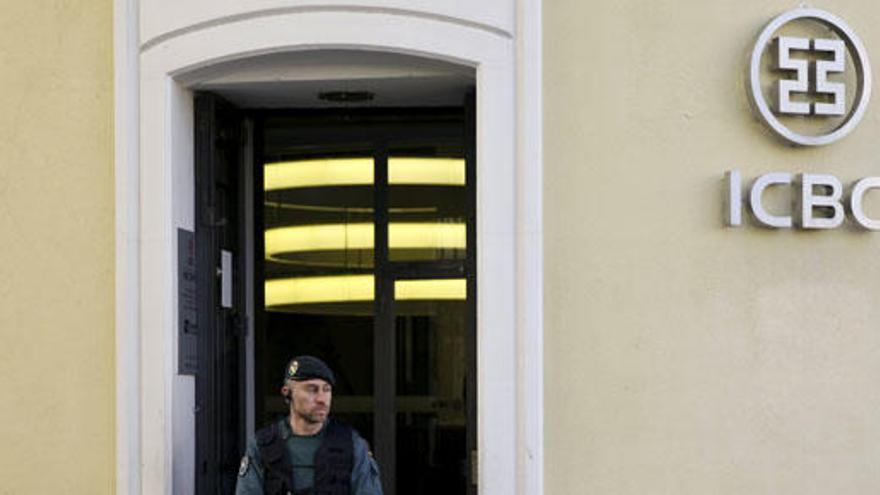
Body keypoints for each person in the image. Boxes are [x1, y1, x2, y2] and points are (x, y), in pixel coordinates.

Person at [235, 355, 383, 495]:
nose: (321, 399)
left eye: (326, 389)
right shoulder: (263, 445)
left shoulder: (352, 444)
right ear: (288, 393)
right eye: (312, 389)